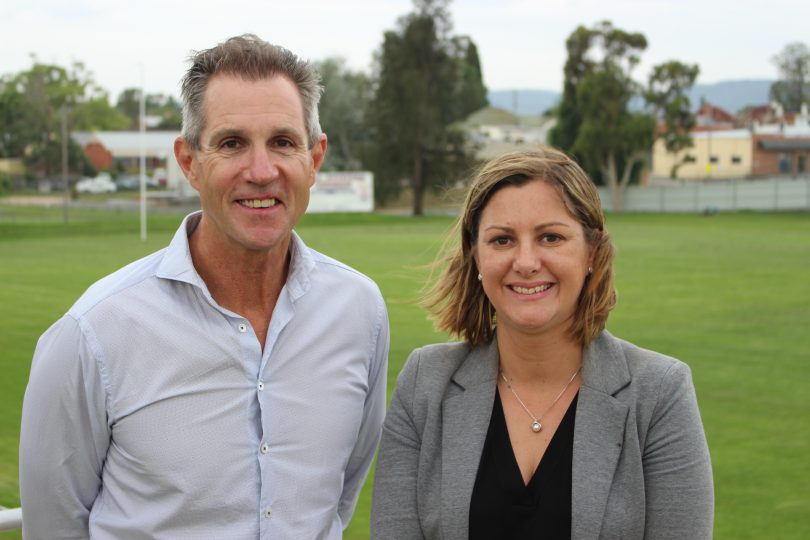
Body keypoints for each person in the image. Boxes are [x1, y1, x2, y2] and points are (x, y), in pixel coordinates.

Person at [19, 34, 389, 539]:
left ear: (314, 158)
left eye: (283, 142)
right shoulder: (93, 333)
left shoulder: (358, 311)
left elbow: (337, 498)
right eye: (232, 143)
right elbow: (54, 527)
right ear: (189, 161)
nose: (261, 172)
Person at [370, 148, 713, 539]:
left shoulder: (659, 392)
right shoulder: (424, 384)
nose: (527, 261)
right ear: (476, 257)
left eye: (551, 237)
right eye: (502, 240)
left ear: (592, 253)